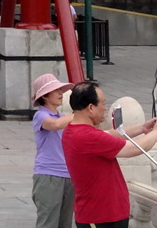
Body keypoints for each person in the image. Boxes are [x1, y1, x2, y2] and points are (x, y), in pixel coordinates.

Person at [62, 79, 157, 228]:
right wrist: (156, 132)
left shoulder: (74, 131)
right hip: (101, 217)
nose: (105, 109)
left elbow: (111, 134)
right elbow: (133, 149)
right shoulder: (88, 137)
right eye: (103, 104)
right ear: (91, 108)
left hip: (105, 214)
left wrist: (142, 128)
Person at [30, 73, 74, 228]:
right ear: (45, 96)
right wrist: (77, 114)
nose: (61, 93)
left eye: (61, 90)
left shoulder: (63, 117)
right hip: (48, 176)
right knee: (48, 223)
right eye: (56, 90)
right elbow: (54, 125)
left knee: (65, 223)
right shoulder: (40, 116)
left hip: (68, 176)